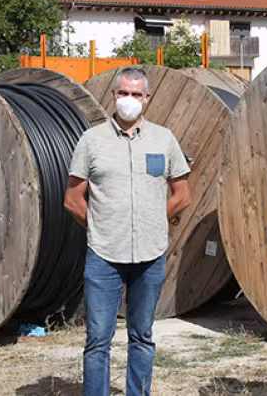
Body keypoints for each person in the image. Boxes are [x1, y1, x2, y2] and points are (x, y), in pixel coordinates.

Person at [65, 68, 191, 396]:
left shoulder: (164, 139)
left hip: (150, 256)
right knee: (97, 341)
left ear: (147, 98)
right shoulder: (92, 141)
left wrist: (155, 219)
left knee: (142, 336)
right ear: (113, 96)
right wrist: (98, 226)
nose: (129, 100)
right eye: (123, 93)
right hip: (104, 256)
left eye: (136, 94)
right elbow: (73, 199)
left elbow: (182, 194)